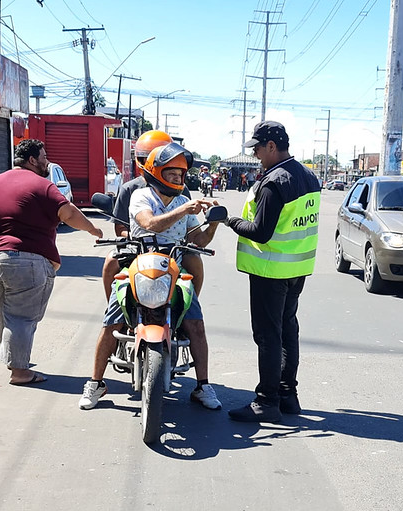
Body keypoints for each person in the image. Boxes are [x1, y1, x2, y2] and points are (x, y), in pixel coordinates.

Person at [81, 142, 221, 410]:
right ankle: (95, 382)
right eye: (172, 173)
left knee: (196, 323)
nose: (178, 178)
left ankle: (203, 385)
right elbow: (149, 224)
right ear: (156, 172)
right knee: (113, 321)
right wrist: (186, 209)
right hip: (138, 266)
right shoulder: (142, 197)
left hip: (173, 271)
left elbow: (198, 240)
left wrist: (213, 221)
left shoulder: (182, 201)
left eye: (181, 173)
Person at [0, 139, 104, 386]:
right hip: (24, 258)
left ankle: (14, 359)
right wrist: (92, 228)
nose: (47, 161)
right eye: (44, 157)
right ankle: (20, 372)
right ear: (32, 160)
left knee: (4, 310)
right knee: (22, 316)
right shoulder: (42, 185)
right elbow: (68, 213)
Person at [222, 121, 320, 423]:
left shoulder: (275, 181)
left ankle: (267, 401)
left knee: (268, 335)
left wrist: (229, 220)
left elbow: (260, 232)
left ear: (272, 146)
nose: (256, 157)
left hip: (270, 269)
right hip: (297, 269)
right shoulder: (308, 177)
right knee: (288, 330)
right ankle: (288, 395)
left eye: (258, 150)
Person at [101, 130, 203, 299]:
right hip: (138, 247)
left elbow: (189, 226)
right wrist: (139, 236)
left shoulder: (180, 191)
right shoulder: (132, 189)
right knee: (110, 261)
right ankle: (112, 311)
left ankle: (191, 305)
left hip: (173, 249)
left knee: (195, 261)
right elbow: (121, 228)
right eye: (146, 157)